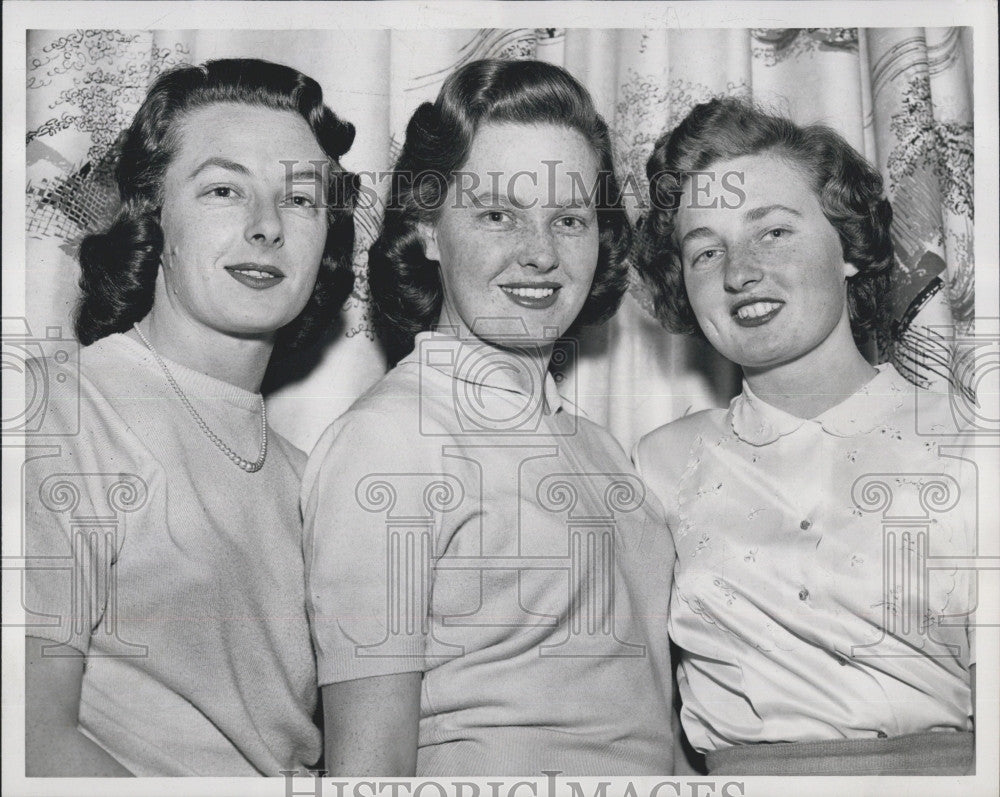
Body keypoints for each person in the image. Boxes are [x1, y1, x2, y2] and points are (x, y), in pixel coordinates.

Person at [302, 58, 675, 776]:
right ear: (430, 228)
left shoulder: (601, 450)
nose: (539, 252)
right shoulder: (392, 440)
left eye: (568, 218)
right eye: (498, 213)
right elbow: (367, 770)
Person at [24, 58, 357, 776]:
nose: (266, 226)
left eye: (300, 199)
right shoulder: (59, 413)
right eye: (223, 189)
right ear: (153, 215)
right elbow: (27, 742)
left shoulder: (319, 482)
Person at [633, 97, 976, 776]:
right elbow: (646, 718)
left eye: (774, 232)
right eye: (706, 251)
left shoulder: (968, 443)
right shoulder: (660, 465)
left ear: (847, 245)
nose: (739, 272)